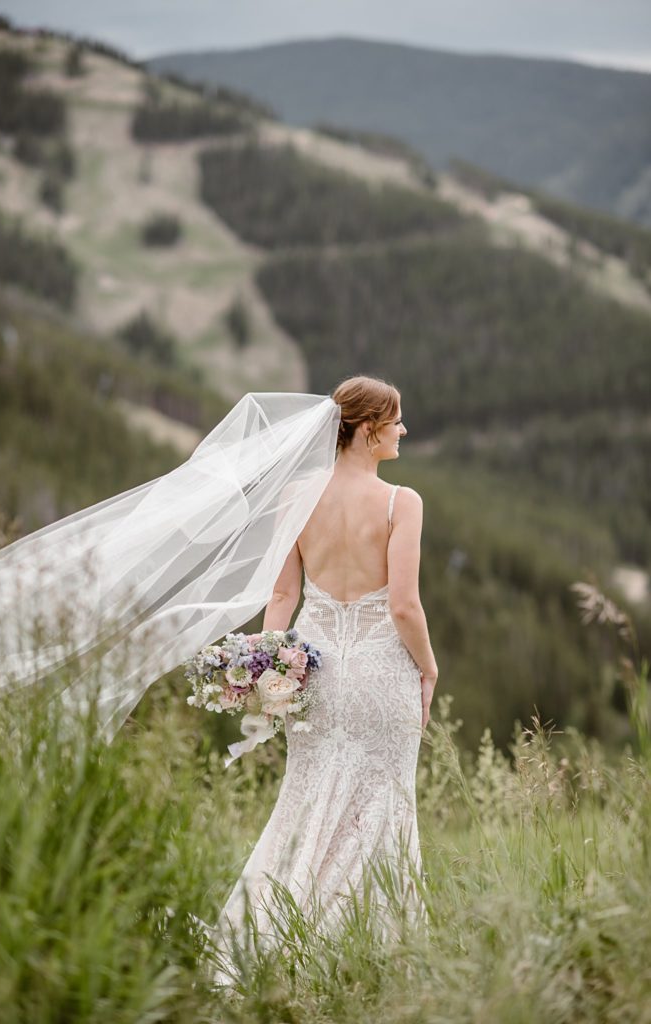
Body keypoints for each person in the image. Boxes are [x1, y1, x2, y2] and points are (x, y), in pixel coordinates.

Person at [210, 375, 438, 984]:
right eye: (395, 421)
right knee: (381, 807)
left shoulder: (296, 497)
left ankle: (271, 943)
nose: (403, 430)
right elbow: (404, 607)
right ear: (366, 430)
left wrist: (267, 671)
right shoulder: (401, 503)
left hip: (316, 675)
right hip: (382, 675)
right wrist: (429, 667)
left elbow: (283, 596)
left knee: (306, 801)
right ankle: (368, 959)